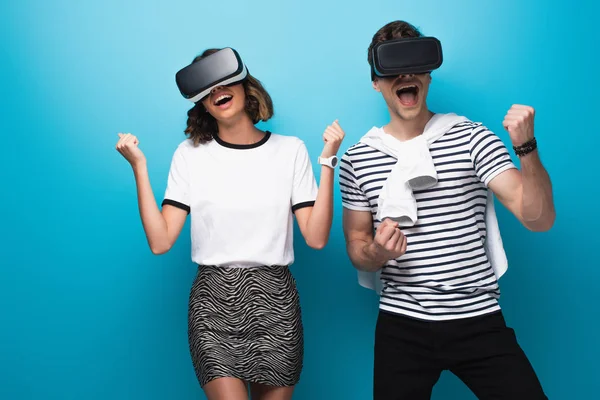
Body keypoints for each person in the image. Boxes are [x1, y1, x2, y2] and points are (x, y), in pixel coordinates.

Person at [340, 21, 554, 399]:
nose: (405, 74)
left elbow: (538, 219)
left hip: (478, 318)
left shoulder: (472, 137)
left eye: (415, 63)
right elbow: (357, 246)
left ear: (428, 72)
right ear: (376, 81)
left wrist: (526, 148)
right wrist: (376, 252)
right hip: (401, 323)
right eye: (392, 66)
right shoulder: (357, 159)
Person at [115, 48, 345, 400]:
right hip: (214, 301)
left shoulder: (290, 150)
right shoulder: (190, 154)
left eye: (223, 82)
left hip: (275, 301)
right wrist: (139, 167)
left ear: (244, 86)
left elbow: (315, 237)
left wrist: (327, 161)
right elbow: (161, 242)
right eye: (206, 90)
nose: (216, 91)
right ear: (202, 105)